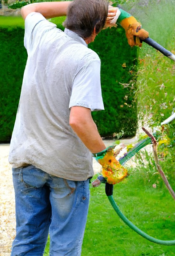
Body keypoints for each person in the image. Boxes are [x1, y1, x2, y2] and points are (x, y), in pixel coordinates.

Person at [8, 0, 149, 255]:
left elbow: (30, 9)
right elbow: (79, 119)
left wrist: (78, 5)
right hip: (66, 169)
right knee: (64, 246)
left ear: (69, 18)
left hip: (26, 160)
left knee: (27, 242)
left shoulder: (42, 34)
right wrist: (106, 160)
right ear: (96, 29)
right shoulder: (86, 58)